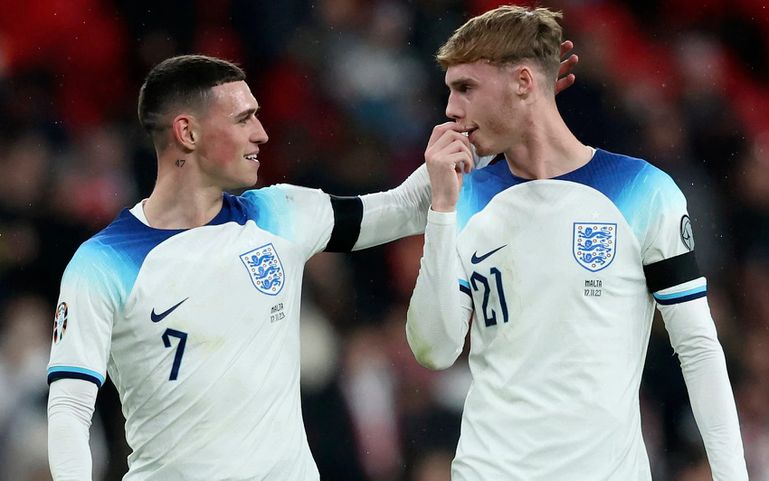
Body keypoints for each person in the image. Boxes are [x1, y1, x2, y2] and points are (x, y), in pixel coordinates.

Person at [44, 52, 577, 480]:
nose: (261, 134)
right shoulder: (103, 264)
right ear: (188, 133)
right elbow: (69, 406)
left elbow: (403, 207)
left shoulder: (280, 213)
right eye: (243, 119)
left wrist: (496, 116)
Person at [405, 5, 748, 481]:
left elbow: (698, 349)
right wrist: (441, 210)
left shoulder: (643, 191)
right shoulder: (465, 200)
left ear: (523, 82)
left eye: (466, 88)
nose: (451, 109)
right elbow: (435, 349)